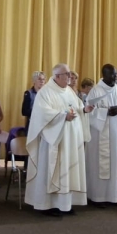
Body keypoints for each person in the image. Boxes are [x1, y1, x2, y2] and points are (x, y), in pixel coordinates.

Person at [26, 63, 88, 214]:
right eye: (67, 74)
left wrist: (85, 110)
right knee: (52, 171)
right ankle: (47, 205)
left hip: (70, 140)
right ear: (57, 76)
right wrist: (62, 116)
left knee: (68, 171)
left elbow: (77, 107)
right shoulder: (45, 92)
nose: (70, 76)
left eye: (70, 73)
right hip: (53, 141)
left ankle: (65, 204)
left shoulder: (69, 91)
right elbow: (42, 114)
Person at [84, 64, 117, 207]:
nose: (115, 77)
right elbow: (89, 111)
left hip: (116, 133)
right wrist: (105, 112)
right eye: (112, 74)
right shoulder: (95, 91)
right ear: (104, 75)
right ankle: (98, 197)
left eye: (116, 74)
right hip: (99, 135)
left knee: (116, 162)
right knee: (99, 164)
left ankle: (115, 195)